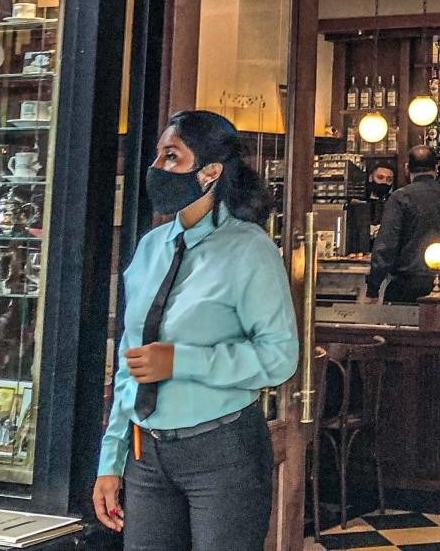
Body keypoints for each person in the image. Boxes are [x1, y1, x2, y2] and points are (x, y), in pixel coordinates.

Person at [93, 110, 299, 551]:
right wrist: (110, 461)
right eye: (158, 157)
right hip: (146, 453)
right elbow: (130, 363)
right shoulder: (150, 249)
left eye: (172, 157)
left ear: (210, 172)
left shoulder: (249, 250)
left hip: (223, 450)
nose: (158, 170)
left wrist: (180, 361)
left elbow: (279, 357)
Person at [365, 145, 440, 303]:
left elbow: (386, 246)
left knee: (403, 327)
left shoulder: (400, 198)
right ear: (436, 169)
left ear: (407, 169)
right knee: (436, 325)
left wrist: (373, 288)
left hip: (405, 285)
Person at [366, 162, 395, 227]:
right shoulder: (360, 201)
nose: (384, 182)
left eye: (389, 179)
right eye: (380, 177)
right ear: (370, 178)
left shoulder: (394, 204)